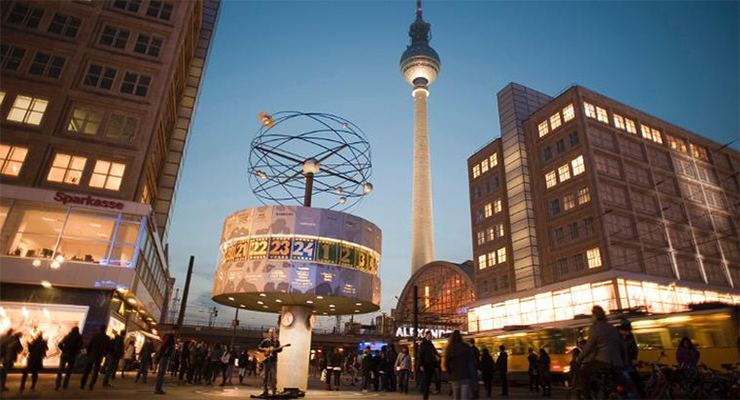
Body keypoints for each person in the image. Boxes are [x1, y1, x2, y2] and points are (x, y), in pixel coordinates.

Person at [577, 305, 626, 398]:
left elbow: (589, 347)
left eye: (592, 316)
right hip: (617, 363)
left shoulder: (596, 328)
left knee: (583, 373)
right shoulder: (613, 328)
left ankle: (587, 397)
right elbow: (622, 346)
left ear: (595, 316)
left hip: (603, 362)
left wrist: (579, 358)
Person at [444, 330, 473, 400]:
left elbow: (446, 363)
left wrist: (450, 372)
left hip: (455, 376)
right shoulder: (466, 347)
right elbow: (471, 361)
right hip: (465, 376)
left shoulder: (450, 348)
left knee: (456, 397)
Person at [619, 320, 644, 398]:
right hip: (620, 365)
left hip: (629, 364)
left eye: (628, 331)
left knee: (637, 382)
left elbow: (634, 349)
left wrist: (634, 358)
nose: (627, 333)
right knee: (626, 383)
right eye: (625, 331)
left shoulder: (630, 337)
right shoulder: (616, 337)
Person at [80, 326, 110, 390]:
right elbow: (108, 348)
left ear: (99, 329)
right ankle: (91, 384)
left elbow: (90, 345)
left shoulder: (95, 336)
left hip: (92, 355)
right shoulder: (107, 338)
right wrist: (104, 354)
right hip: (99, 356)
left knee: (87, 370)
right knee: (96, 371)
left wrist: (88, 353)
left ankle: (82, 384)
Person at [258, 328, 282, 397]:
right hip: (266, 361)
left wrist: (279, 348)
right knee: (265, 376)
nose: (272, 334)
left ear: (275, 334)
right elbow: (259, 348)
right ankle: (265, 390)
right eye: (270, 332)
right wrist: (265, 349)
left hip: (273, 361)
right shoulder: (265, 341)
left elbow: (279, 350)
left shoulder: (276, 341)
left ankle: (274, 391)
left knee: (273, 376)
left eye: (273, 332)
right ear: (268, 333)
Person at [154, 329, 176, 395]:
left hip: (164, 356)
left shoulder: (168, 337)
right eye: (176, 331)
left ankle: (158, 388)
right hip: (165, 356)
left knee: (161, 373)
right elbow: (164, 347)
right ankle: (158, 389)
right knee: (161, 373)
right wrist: (165, 354)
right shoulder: (170, 337)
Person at [417, 331, 437, 400]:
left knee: (428, 382)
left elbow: (435, 352)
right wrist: (421, 365)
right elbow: (420, 355)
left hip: (431, 365)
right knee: (426, 381)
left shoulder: (431, 344)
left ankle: (425, 394)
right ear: (426, 336)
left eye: (430, 336)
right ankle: (425, 396)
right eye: (428, 336)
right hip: (426, 365)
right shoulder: (424, 344)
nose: (430, 337)